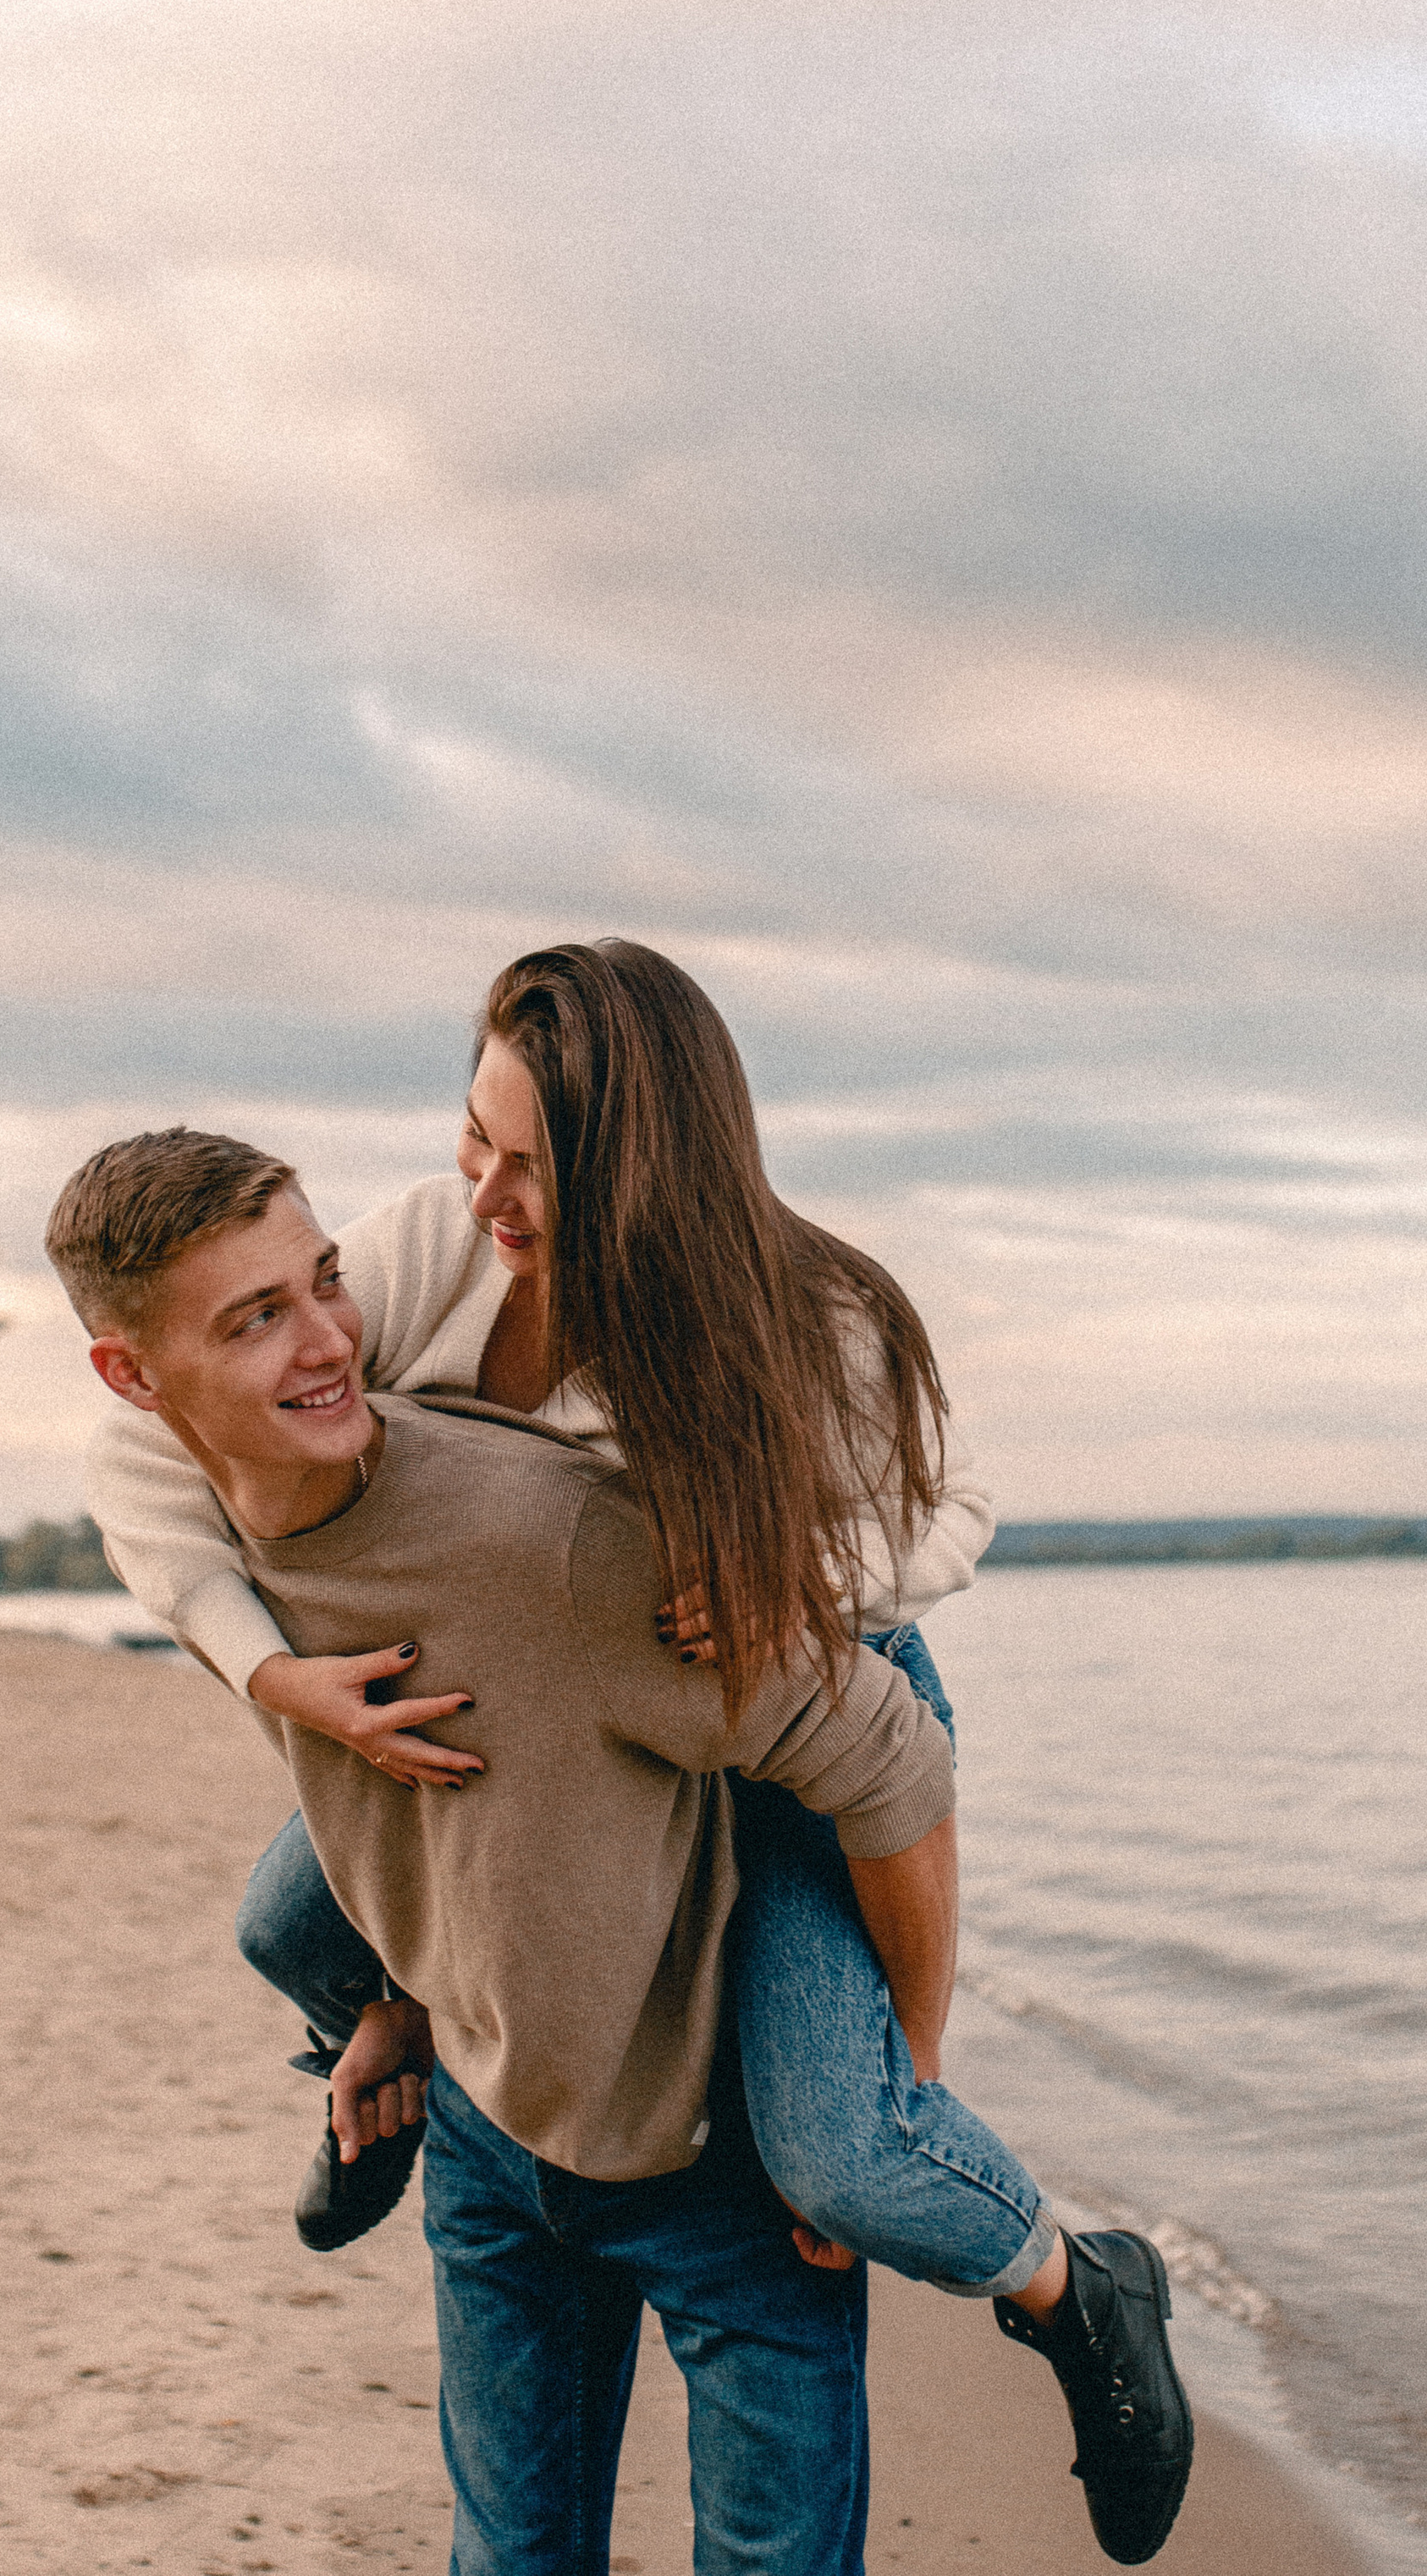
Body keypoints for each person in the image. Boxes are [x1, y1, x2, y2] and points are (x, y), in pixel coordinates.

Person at [81, 942, 1193, 2565]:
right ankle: (374, 2075)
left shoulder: (804, 1327)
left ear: (648, 1172)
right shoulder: (417, 1249)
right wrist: (271, 1676)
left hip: (805, 1669)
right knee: (287, 1920)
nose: (485, 1190)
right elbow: (150, 1435)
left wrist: (774, 1577)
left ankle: (1079, 2294)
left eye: (536, 1162)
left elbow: (941, 1526)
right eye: (478, 1135)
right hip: (605, 1677)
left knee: (837, 2146)